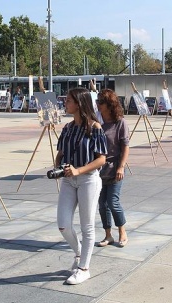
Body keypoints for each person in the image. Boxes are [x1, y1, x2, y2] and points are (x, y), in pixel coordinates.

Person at [55, 87, 107, 285]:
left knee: (87, 226)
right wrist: (58, 167)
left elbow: (102, 159)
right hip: (68, 180)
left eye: (68, 101)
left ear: (79, 103)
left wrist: (78, 170)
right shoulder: (67, 128)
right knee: (63, 224)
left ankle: (84, 268)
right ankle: (78, 253)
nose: (65, 103)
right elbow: (60, 153)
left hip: (88, 179)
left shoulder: (95, 128)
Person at [96, 89, 129, 248]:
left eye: (100, 102)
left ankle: (122, 232)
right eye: (97, 101)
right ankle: (108, 235)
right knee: (102, 204)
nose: (97, 104)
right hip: (99, 170)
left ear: (109, 105)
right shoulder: (97, 121)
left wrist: (121, 167)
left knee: (112, 202)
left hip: (115, 168)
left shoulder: (120, 122)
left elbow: (125, 147)